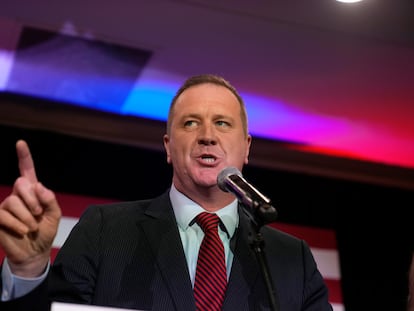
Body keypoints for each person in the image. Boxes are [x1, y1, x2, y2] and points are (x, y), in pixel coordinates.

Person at [0, 74, 333, 310]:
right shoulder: (104, 229)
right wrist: (27, 270)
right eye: (190, 123)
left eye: (222, 123)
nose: (207, 136)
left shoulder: (293, 259)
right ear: (168, 147)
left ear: (246, 148)